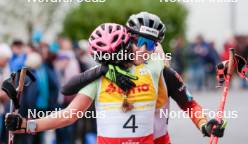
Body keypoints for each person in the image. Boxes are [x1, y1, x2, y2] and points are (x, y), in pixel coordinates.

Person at [61, 12, 227, 143]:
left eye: (151, 44)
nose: (143, 49)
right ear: (127, 39)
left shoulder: (161, 70)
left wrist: (205, 125)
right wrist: (102, 70)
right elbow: (68, 90)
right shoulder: (111, 69)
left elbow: (189, 103)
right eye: (140, 41)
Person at [4, 23, 165, 144]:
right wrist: (26, 125)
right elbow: (68, 114)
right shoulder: (100, 77)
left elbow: (157, 47)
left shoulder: (151, 65)